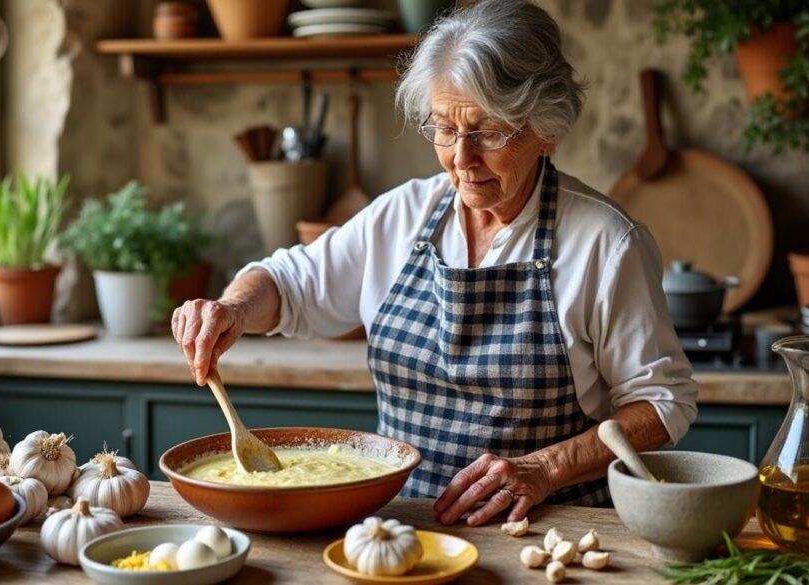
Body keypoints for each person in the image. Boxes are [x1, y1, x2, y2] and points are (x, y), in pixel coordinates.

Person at [172, 0, 696, 527]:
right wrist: (233, 308)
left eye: (488, 132)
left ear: (546, 128)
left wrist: (544, 467)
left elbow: (662, 404)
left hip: (545, 530)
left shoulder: (605, 242)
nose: (461, 159)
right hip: (402, 526)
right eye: (445, 128)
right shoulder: (403, 213)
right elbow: (288, 283)